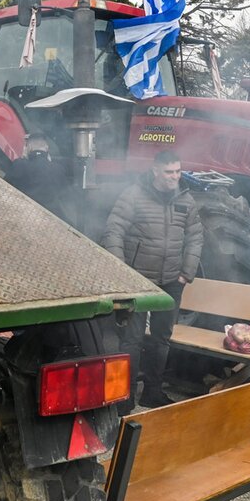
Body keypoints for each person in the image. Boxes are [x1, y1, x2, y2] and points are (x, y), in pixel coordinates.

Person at [102, 150, 203, 409]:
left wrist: (186, 272)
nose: (175, 177)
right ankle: (124, 397)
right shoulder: (133, 195)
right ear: (156, 171)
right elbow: (113, 230)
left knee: (161, 340)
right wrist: (123, 271)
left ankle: (153, 392)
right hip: (140, 282)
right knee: (132, 340)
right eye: (169, 172)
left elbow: (195, 237)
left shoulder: (186, 200)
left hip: (171, 282)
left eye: (178, 171)